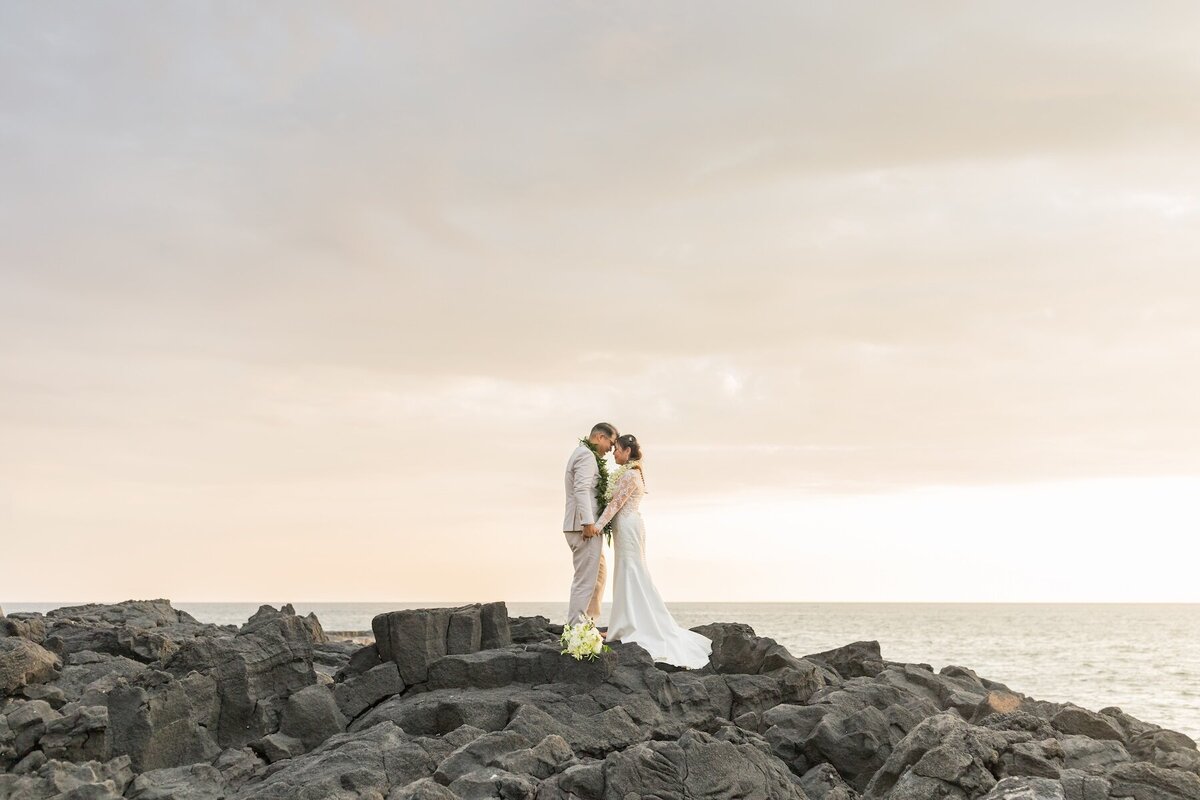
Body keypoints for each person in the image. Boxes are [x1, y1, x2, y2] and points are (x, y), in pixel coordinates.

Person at [594, 434, 713, 668]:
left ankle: (631, 624)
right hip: (627, 526)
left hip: (628, 527)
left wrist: (596, 527)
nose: (615, 453)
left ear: (628, 451)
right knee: (627, 571)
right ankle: (624, 621)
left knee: (631, 571)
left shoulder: (629, 474)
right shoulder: (633, 472)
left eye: (617, 449)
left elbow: (615, 504)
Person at [563, 422, 618, 626]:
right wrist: (587, 522)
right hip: (583, 528)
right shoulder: (586, 456)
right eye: (610, 443)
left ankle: (589, 624)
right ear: (600, 438)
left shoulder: (585, 455)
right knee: (585, 580)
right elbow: (582, 489)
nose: (611, 449)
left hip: (589, 527)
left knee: (598, 576)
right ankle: (576, 629)